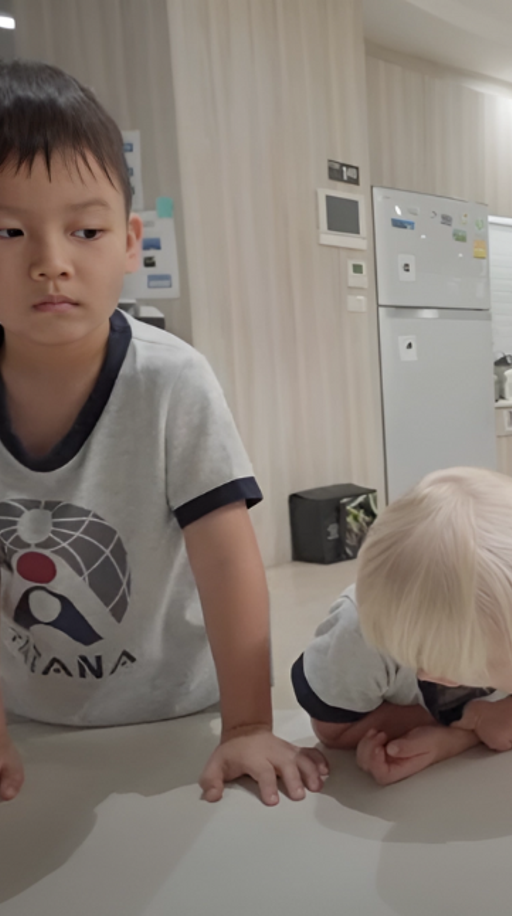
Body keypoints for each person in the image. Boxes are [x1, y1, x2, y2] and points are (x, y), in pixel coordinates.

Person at [0, 60, 324, 804]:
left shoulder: (169, 380)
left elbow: (228, 565)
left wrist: (248, 723)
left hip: (179, 715)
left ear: (127, 242)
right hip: (35, 722)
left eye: (84, 229)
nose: (51, 262)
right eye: (9, 230)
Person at [292, 468, 512, 786]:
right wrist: (475, 718)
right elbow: (334, 730)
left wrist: (456, 738)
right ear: (447, 676)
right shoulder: (357, 640)